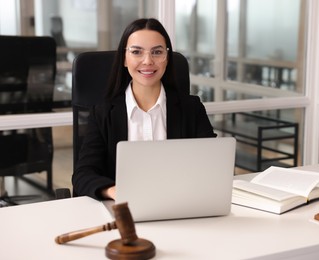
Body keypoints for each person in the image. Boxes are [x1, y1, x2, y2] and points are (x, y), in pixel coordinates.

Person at [72, 18, 216, 200]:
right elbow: (83, 175)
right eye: (136, 52)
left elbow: (212, 164)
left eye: (157, 52)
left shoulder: (191, 109)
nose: (148, 61)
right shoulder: (102, 113)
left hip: (180, 205)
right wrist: (114, 191)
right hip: (124, 211)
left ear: (167, 58)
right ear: (124, 58)